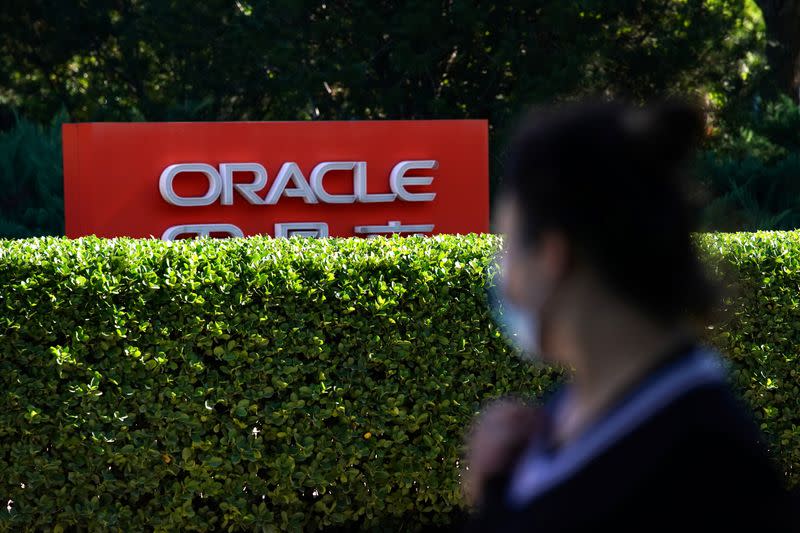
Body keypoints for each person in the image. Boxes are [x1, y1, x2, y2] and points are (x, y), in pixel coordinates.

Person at [463, 100, 796, 531]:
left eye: (505, 246)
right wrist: (495, 493)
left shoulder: (706, 467)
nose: (501, 275)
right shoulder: (575, 408)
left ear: (551, 254)